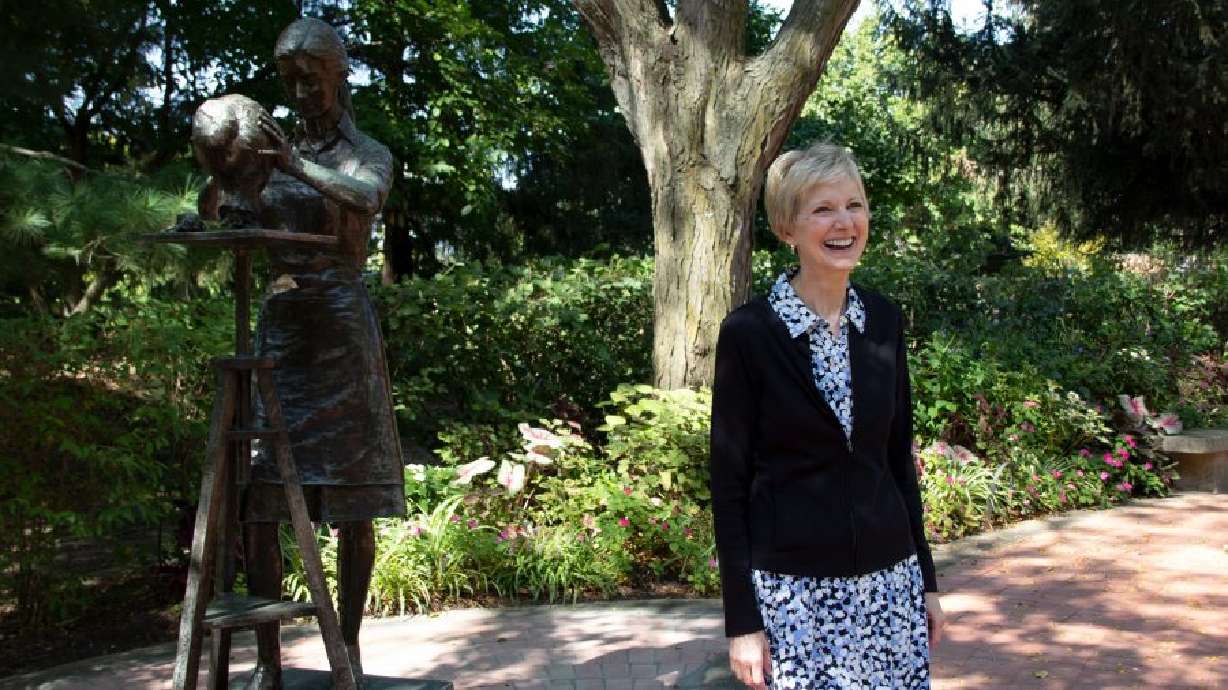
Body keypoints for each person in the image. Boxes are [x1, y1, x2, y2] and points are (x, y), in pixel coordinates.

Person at [198, 17, 407, 690]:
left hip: (342, 329)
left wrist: (291, 164)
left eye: (310, 78)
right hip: (282, 329)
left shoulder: (365, 150)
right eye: (288, 81)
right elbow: (224, 203)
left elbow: (367, 197)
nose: (299, 91)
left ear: (340, 73)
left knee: (353, 503)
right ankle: (266, 658)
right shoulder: (266, 147)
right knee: (262, 498)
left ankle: (346, 649)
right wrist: (218, 188)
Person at [709, 142, 946, 690]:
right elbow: (729, 484)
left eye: (854, 204)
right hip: (793, 597)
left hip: (890, 588)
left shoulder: (883, 321)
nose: (845, 223)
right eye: (823, 209)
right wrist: (742, 622)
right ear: (787, 227)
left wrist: (926, 582)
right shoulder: (749, 334)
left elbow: (897, 460)